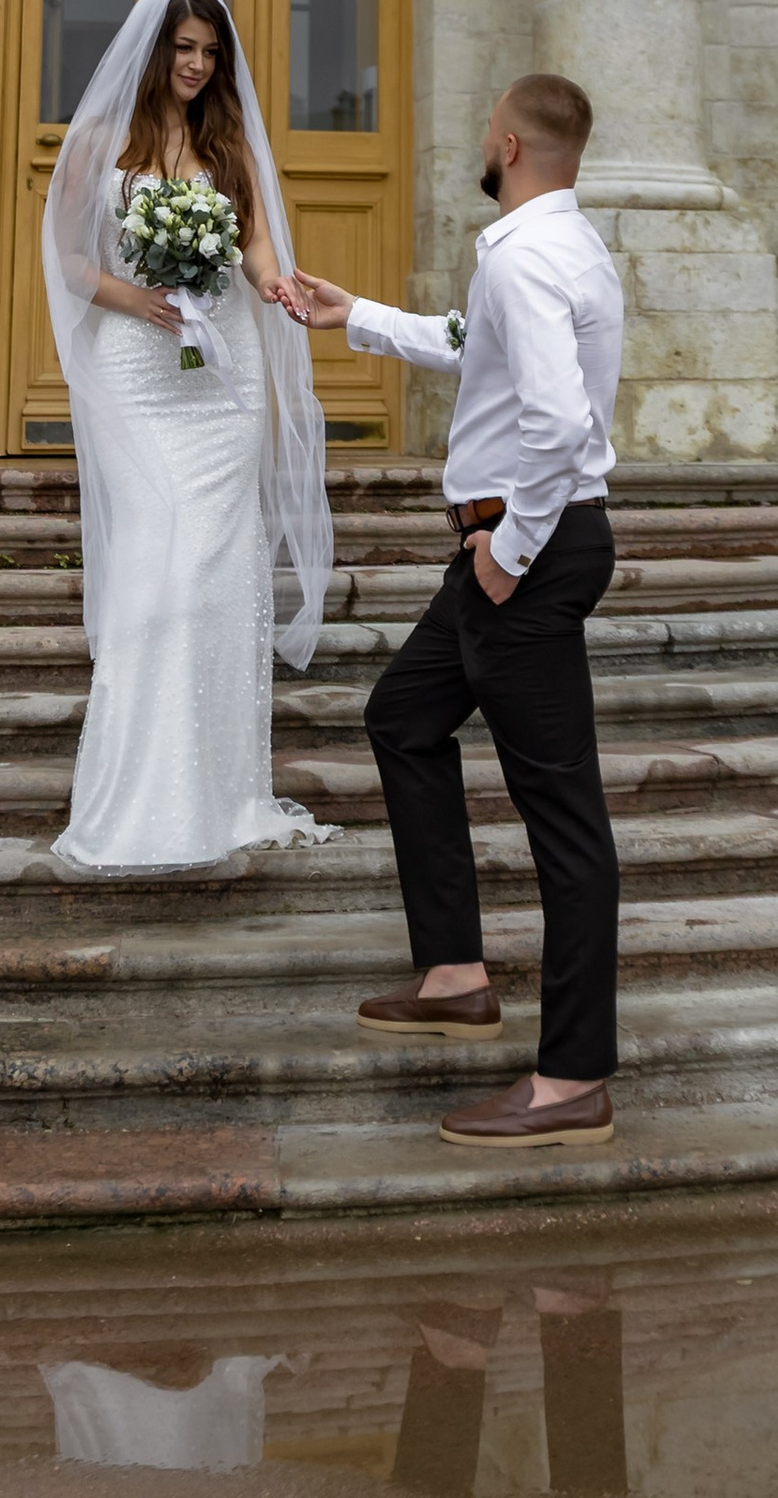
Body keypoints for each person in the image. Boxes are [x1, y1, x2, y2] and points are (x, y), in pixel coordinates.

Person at [293, 73, 624, 1150]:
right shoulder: (554, 247)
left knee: (567, 827)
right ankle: (452, 975)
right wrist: (357, 316)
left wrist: (509, 553)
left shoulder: (527, 257)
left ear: (514, 146)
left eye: (489, 128)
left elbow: (560, 426)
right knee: (403, 718)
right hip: (512, 545)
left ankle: (571, 1078)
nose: (481, 140)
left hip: (522, 550)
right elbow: (475, 346)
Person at [40, 0, 334, 871]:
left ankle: (219, 790)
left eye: (211, 51)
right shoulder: (99, 143)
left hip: (223, 379)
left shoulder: (231, 146)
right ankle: (139, 792)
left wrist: (277, 285)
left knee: (217, 568)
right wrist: (145, 300)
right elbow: (70, 265)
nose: (198, 66)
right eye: (184, 49)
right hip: (140, 371)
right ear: (153, 50)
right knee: (157, 567)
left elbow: (254, 247)